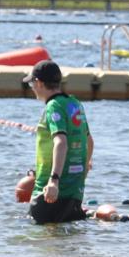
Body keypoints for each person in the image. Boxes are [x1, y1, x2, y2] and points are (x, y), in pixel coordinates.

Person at [24, 59, 93, 224]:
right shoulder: (75, 104)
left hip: (49, 193)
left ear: (39, 83)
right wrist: (83, 171)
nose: (32, 88)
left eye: (31, 84)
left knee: (37, 240)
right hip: (74, 195)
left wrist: (54, 180)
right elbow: (89, 141)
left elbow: (61, 141)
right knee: (65, 243)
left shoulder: (53, 107)